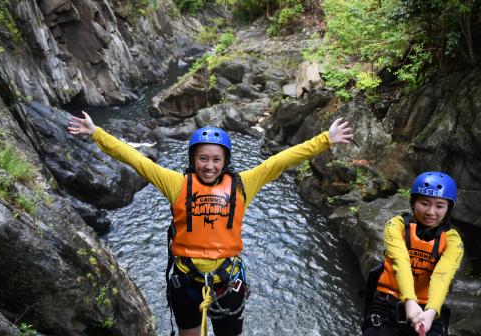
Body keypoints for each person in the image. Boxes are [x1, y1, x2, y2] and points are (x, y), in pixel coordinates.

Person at [68, 113, 353, 336]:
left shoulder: (242, 184)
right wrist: (97, 133)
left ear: (225, 161)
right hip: (185, 282)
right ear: (193, 159)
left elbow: (279, 161)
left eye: (216, 159)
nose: (209, 165)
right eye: (203, 158)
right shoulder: (177, 184)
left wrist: (325, 139)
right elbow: (136, 159)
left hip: (227, 283)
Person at [362, 172, 465, 336]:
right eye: (424, 203)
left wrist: (431, 313)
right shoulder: (396, 226)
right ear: (413, 203)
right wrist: (409, 301)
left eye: (439, 206)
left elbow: (442, 276)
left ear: (448, 209)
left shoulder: (453, 241)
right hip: (388, 303)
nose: (431, 212)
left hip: (428, 308)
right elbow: (401, 262)